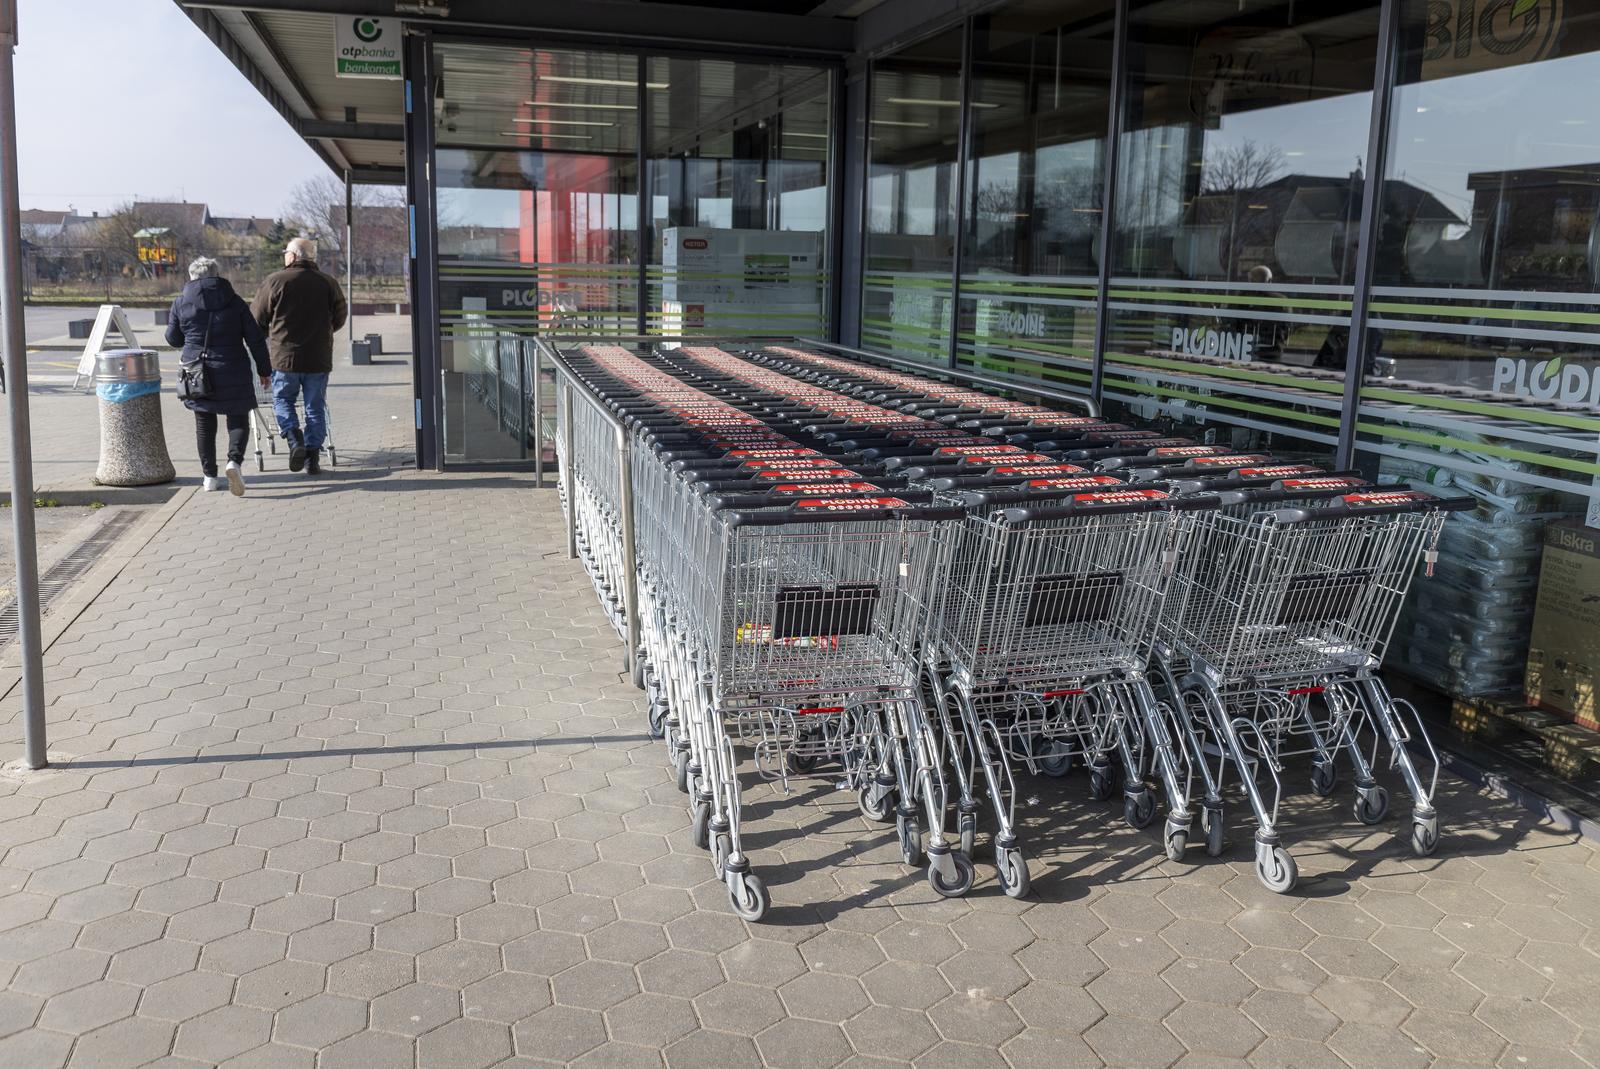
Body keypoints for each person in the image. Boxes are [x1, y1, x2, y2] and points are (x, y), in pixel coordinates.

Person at [166, 257, 271, 496]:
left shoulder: (181, 302)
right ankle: (234, 462)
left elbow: (173, 339)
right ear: (216, 275)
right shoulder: (235, 302)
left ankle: (209, 477)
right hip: (234, 368)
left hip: (197, 372)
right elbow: (255, 339)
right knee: (238, 418)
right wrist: (265, 370)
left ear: (192, 277)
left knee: (204, 424)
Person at [251, 236, 347, 475]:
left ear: (293, 256)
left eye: (286, 252)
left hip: (285, 358)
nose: (284, 255)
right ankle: (312, 459)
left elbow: (257, 319)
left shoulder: (275, 281)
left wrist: (270, 336)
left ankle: (295, 440)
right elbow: (339, 317)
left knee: (283, 400)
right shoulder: (328, 283)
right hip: (318, 358)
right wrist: (322, 333)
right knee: (315, 406)